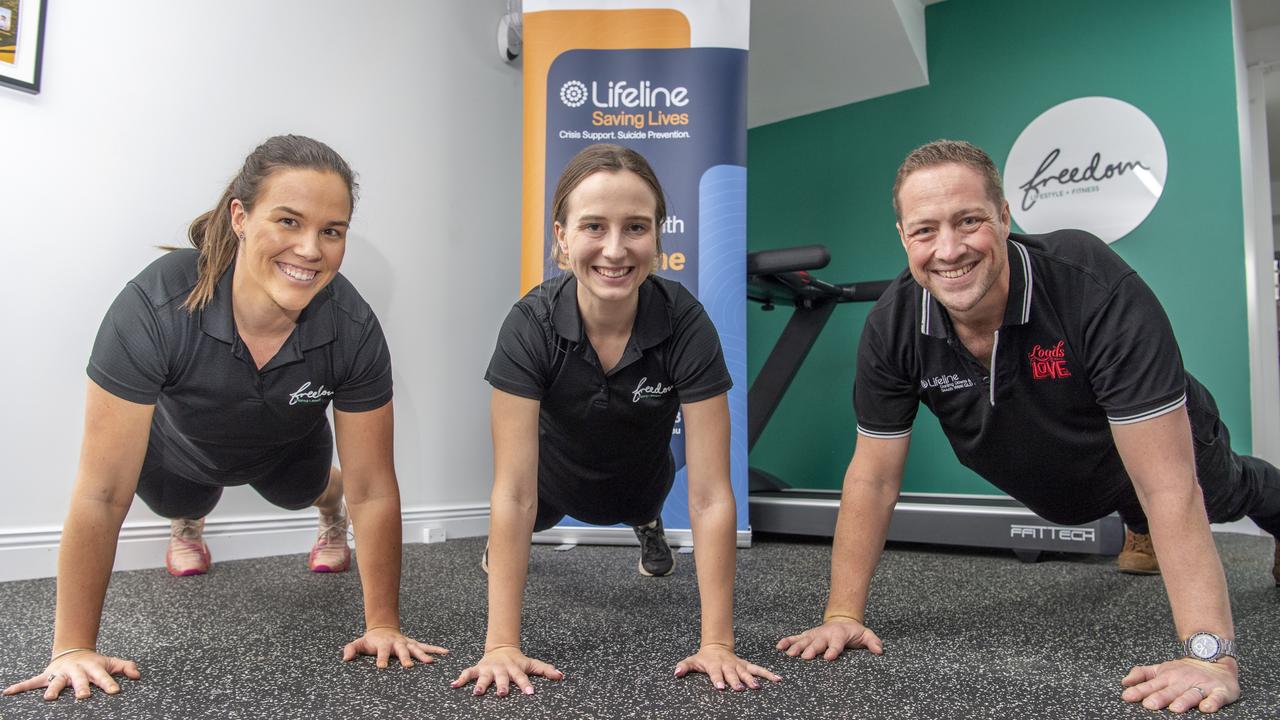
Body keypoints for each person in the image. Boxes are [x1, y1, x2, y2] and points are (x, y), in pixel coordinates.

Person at [777, 140, 1280, 715]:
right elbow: (873, 479)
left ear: (1005, 217)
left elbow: (1169, 483)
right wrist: (842, 614)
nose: (948, 249)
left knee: (1230, 490)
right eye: (925, 230)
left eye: (969, 221)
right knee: (1126, 499)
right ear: (903, 237)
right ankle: (1136, 525)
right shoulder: (893, 326)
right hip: (1065, 474)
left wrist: (1209, 654)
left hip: (1159, 449)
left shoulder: (1091, 287)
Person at [2, 135, 447, 702]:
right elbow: (101, 492)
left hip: (287, 443)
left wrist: (382, 624)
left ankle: (323, 507)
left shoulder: (352, 327)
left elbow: (374, 489)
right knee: (177, 499)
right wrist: (71, 647)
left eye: (331, 230)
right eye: (288, 220)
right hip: (182, 449)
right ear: (240, 216)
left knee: (303, 491)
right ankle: (188, 522)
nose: (310, 248)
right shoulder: (156, 305)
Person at [452, 144, 780, 697]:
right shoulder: (529, 324)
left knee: (643, 498)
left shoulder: (684, 324)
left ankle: (647, 524)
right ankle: (502, 549)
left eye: (635, 227)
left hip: (641, 477)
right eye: (593, 227)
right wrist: (501, 645)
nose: (614, 248)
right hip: (551, 481)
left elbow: (709, 495)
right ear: (561, 237)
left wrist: (718, 643)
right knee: (524, 517)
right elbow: (512, 492)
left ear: (657, 236)